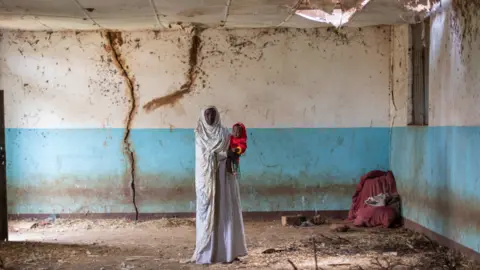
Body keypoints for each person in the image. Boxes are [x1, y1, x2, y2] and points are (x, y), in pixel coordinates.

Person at [190, 106, 248, 264]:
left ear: (217, 116)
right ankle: (208, 254)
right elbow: (204, 158)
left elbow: (236, 148)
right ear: (203, 116)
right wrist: (224, 154)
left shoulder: (224, 133)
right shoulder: (199, 135)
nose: (210, 116)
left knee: (226, 210)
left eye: (213, 113)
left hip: (224, 178)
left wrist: (234, 153)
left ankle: (228, 252)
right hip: (208, 180)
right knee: (209, 213)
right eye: (207, 114)